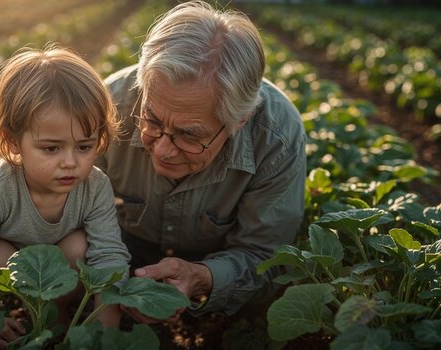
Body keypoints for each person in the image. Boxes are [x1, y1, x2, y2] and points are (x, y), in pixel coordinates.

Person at [96, 1, 306, 323]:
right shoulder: (108, 104)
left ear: (240, 120)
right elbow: (59, 211)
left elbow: (266, 257)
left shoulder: (276, 137)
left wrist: (204, 276)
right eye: (151, 120)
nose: (164, 150)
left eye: (189, 136)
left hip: (214, 259)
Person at [0, 45, 131, 348]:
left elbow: (109, 255)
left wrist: (107, 327)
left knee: (80, 248)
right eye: (51, 148)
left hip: (46, 256)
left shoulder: (95, 186)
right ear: (13, 142)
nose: (70, 161)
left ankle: (56, 314)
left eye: (84, 146)